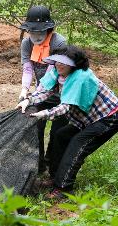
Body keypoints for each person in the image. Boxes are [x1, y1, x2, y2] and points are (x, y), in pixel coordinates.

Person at [16, 45, 118, 199]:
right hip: (86, 119)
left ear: (74, 64)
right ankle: (55, 177)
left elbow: (65, 107)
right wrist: (28, 100)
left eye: (64, 62)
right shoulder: (58, 73)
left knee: (77, 145)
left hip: (107, 117)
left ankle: (63, 189)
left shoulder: (81, 77)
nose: (59, 64)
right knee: (60, 135)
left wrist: (42, 114)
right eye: (57, 61)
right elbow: (45, 92)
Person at [19, 5, 68, 173]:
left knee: (58, 132)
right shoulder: (26, 43)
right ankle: (38, 165)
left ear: (49, 29)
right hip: (40, 92)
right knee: (36, 126)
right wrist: (24, 91)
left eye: (41, 32)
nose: (37, 36)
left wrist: (35, 94)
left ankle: (51, 162)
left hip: (60, 92)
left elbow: (51, 74)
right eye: (33, 32)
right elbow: (27, 68)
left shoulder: (59, 43)